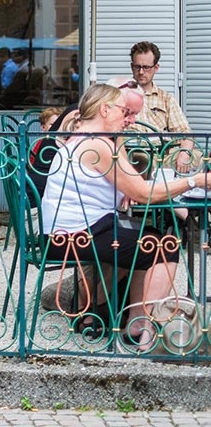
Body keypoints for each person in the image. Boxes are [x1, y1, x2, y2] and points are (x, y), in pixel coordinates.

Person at [40, 83, 209, 351]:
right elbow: (144, 193)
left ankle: (133, 322)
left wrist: (126, 189)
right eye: (123, 110)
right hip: (77, 238)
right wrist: (195, 180)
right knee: (165, 247)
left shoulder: (81, 140)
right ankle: (146, 330)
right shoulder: (97, 145)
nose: (128, 119)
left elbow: (121, 187)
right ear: (104, 110)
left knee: (150, 238)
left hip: (66, 233)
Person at [128, 41, 195, 174]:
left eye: (146, 67)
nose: (141, 72)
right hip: (132, 152)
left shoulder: (166, 99)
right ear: (132, 67)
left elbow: (185, 133)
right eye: (137, 67)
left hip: (162, 153)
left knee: (196, 157)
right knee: (140, 159)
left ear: (156, 68)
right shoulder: (121, 95)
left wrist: (184, 154)